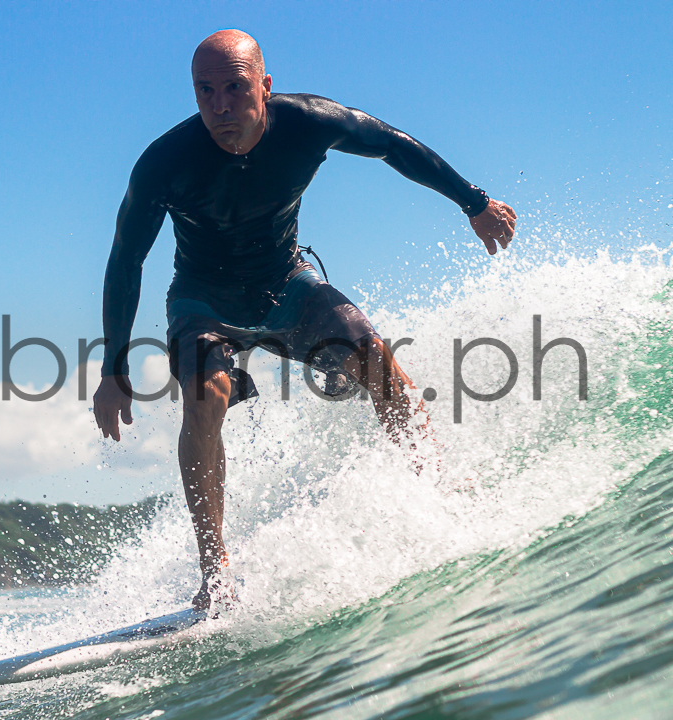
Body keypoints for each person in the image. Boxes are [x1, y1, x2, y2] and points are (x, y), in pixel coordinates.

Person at [92, 30, 517, 610]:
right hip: (202, 301)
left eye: (235, 87)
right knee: (206, 395)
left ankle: (436, 491)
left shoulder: (308, 122)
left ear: (265, 86)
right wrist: (114, 368)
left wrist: (474, 201)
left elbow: (392, 144)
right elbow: (126, 260)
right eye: (205, 91)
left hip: (286, 284)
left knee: (375, 359)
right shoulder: (164, 163)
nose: (220, 106)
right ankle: (215, 575)